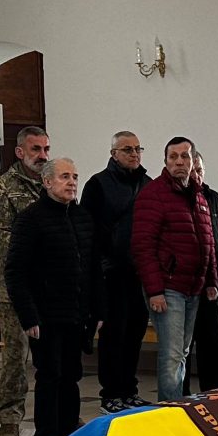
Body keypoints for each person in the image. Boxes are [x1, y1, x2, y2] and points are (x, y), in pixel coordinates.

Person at [4, 158, 101, 436]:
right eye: (64, 177)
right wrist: (28, 315)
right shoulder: (30, 219)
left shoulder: (83, 217)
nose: (72, 182)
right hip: (45, 315)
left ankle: (69, 432)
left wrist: (98, 311)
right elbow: (15, 272)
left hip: (77, 313)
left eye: (75, 177)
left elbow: (94, 269)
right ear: (47, 182)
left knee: (72, 375)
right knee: (50, 376)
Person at [131, 137, 217, 401]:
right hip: (168, 287)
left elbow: (208, 240)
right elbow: (143, 246)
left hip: (193, 286)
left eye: (185, 156)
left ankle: (177, 404)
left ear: (193, 161)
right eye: (173, 157)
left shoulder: (198, 195)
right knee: (172, 354)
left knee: (183, 351)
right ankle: (168, 409)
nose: (179, 161)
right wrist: (155, 290)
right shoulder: (153, 194)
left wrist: (212, 280)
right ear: (166, 161)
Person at [80, 130, 153, 413]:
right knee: (114, 336)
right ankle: (110, 394)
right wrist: (100, 267)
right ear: (114, 154)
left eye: (138, 149)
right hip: (111, 274)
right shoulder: (98, 184)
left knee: (135, 333)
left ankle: (129, 390)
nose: (134, 154)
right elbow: (89, 231)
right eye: (127, 150)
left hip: (140, 273)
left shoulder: (147, 184)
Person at [0, 126, 50, 436]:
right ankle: (10, 420)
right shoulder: (5, 188)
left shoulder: (51, 184)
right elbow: (6, 243)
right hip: (14, 287)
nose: (42, 155)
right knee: (16, 356)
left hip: (49, 287)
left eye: (46, 149)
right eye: (36, 149)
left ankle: (54, 414)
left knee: (51, 356)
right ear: (20, 152)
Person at [184, 151, 218, 393]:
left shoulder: (215, 199)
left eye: (200, 170)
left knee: (213, 347)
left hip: (212, 286)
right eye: (192, 171)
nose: (196, 175)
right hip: (185, 287)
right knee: (183, 349)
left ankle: (214, 396)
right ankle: (180, 398)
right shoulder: (176, 199)